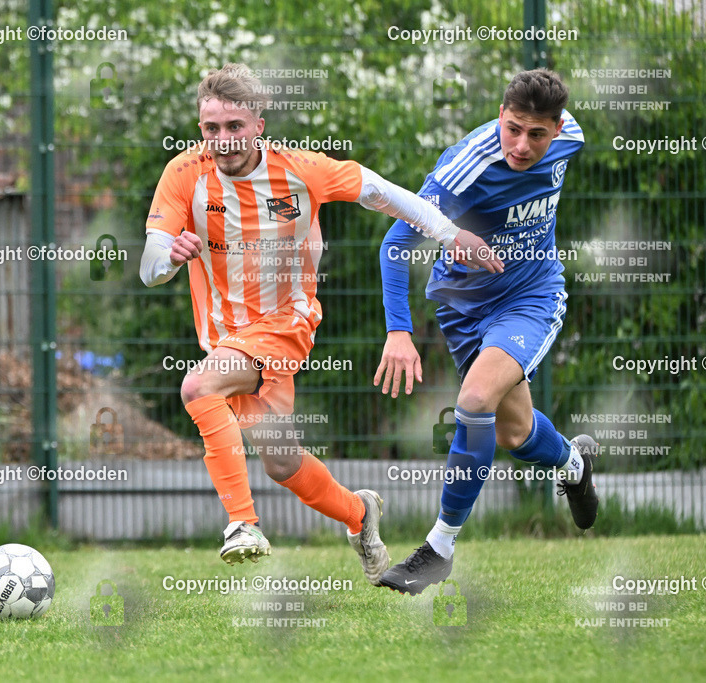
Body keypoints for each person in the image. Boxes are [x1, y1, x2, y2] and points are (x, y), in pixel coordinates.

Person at [140, 63, 501, 585]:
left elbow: (383, 192)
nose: (222, 140)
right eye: (211, 129)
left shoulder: (299, 170)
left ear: (258, 124)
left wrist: (449, 234)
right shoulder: (184, 174)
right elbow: (151, 267)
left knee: (197, 386)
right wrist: (172, 255)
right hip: (227, 338)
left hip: (287, 324)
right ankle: (361, 515)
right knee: (281, 463)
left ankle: (242, 525)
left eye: (234, 127)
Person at [373, 68, 598, 595]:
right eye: (513, 128)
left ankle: (439, 548)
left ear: (557, 127)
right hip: (463, 309)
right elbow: (394, 245)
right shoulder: (464, 168)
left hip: (530, 298)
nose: (522, 145)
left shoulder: (573, 138)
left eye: (536, 134)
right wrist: (398, 332)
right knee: (513, 434)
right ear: (501, 115)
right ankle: (573, 462)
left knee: (473, 401)